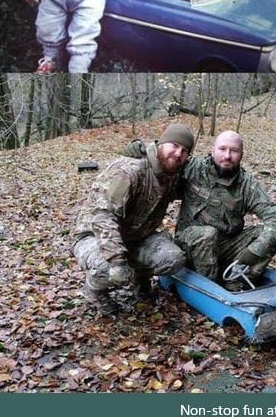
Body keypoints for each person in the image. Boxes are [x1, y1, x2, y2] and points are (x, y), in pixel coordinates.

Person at [71, 123, 194, 315]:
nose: (178, 153)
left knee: (173, 259)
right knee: (109, 268)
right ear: (161, 143)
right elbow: (102, 216)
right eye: (174, 145)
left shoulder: (173, 173)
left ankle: (140, 280)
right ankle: (94, 290)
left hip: (137, 235)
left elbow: (207, 170)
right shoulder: (130, 170)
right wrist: (117, 259)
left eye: (184, 150)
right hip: (93, 235)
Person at [175, 130, 276, 290]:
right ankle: (211, 289)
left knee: (265, 233)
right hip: (189, 245)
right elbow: (164, 161)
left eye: (234, 151)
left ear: (241, 154)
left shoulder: (246, 184)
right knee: (207, 234)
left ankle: (235, 280)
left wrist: (254, 252)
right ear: (213, 150)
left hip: (225, 246)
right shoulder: (192, 168)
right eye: (222, 149)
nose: (227, 156)